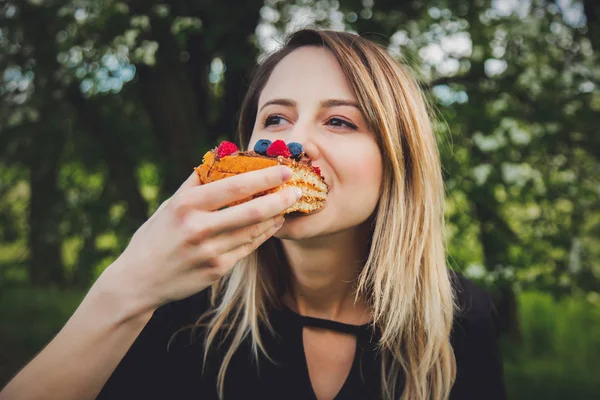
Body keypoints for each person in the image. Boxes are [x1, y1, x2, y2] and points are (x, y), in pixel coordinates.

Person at [0, 29, 505, 400]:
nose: (294, 143)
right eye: (276, 117)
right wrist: (129, 289)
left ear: (399, 162)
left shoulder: (461, 319)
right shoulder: (184, 306)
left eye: (339, 120)